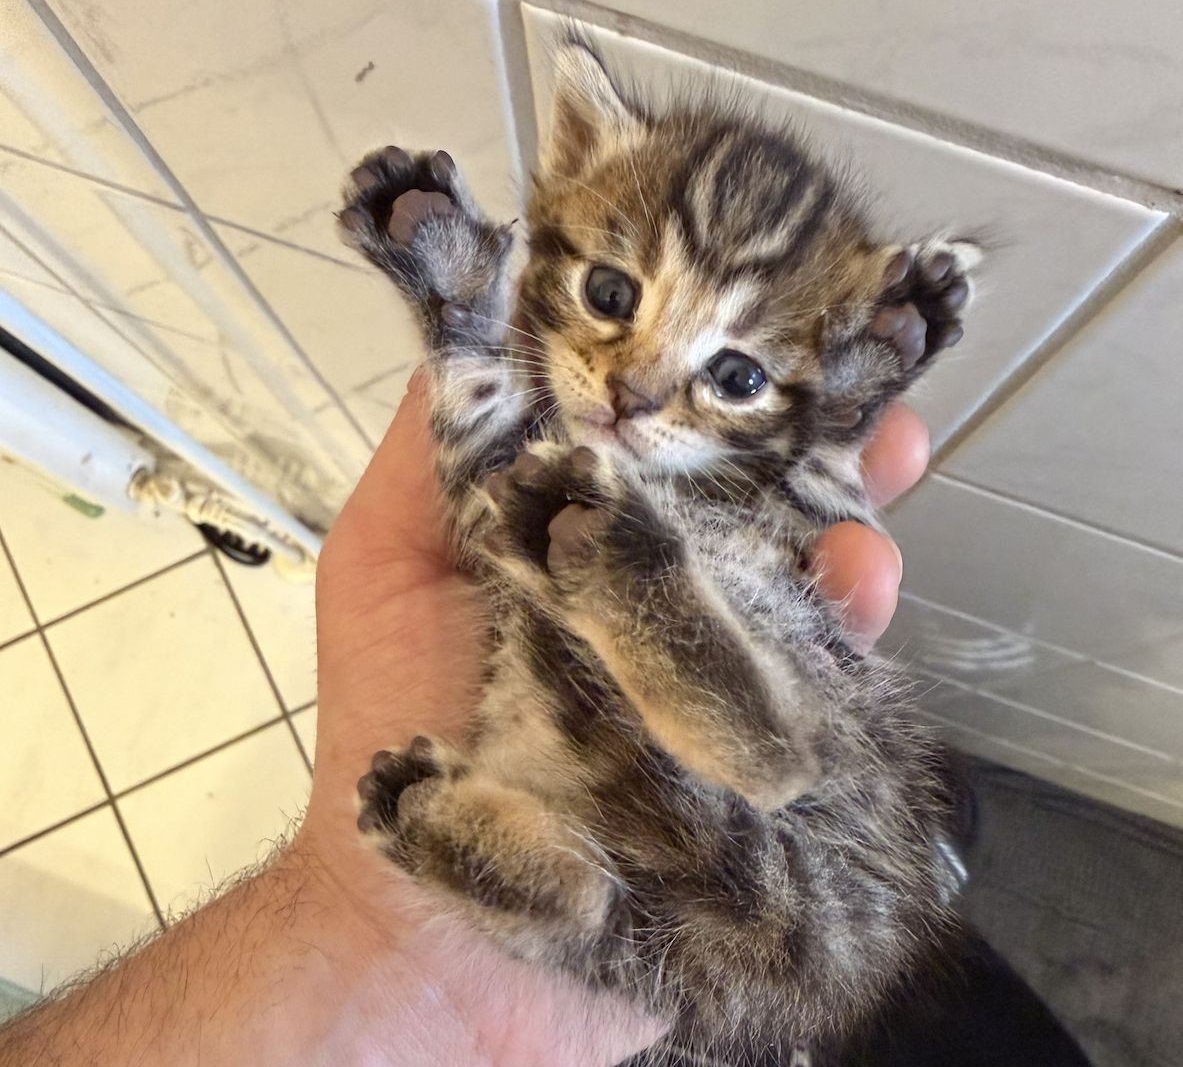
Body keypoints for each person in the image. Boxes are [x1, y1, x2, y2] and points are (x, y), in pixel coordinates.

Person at [0, 373, 930, 1066]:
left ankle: (569, 896)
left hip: (726, 876)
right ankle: (593, 874)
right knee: (765, 905)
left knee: (723, 913)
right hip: (767, 874)